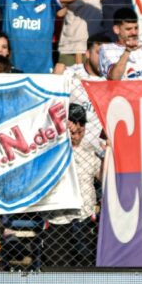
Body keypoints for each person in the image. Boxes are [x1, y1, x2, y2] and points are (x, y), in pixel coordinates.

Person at [41, 105, 101, 268]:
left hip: (84, 217)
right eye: (72, 132)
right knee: (57, 266)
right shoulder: (53, 151)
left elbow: (103, 177)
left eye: (80, 132)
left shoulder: (89, 152)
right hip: (57, 218)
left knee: (86, 264)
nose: (76, 136)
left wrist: (108, 150)